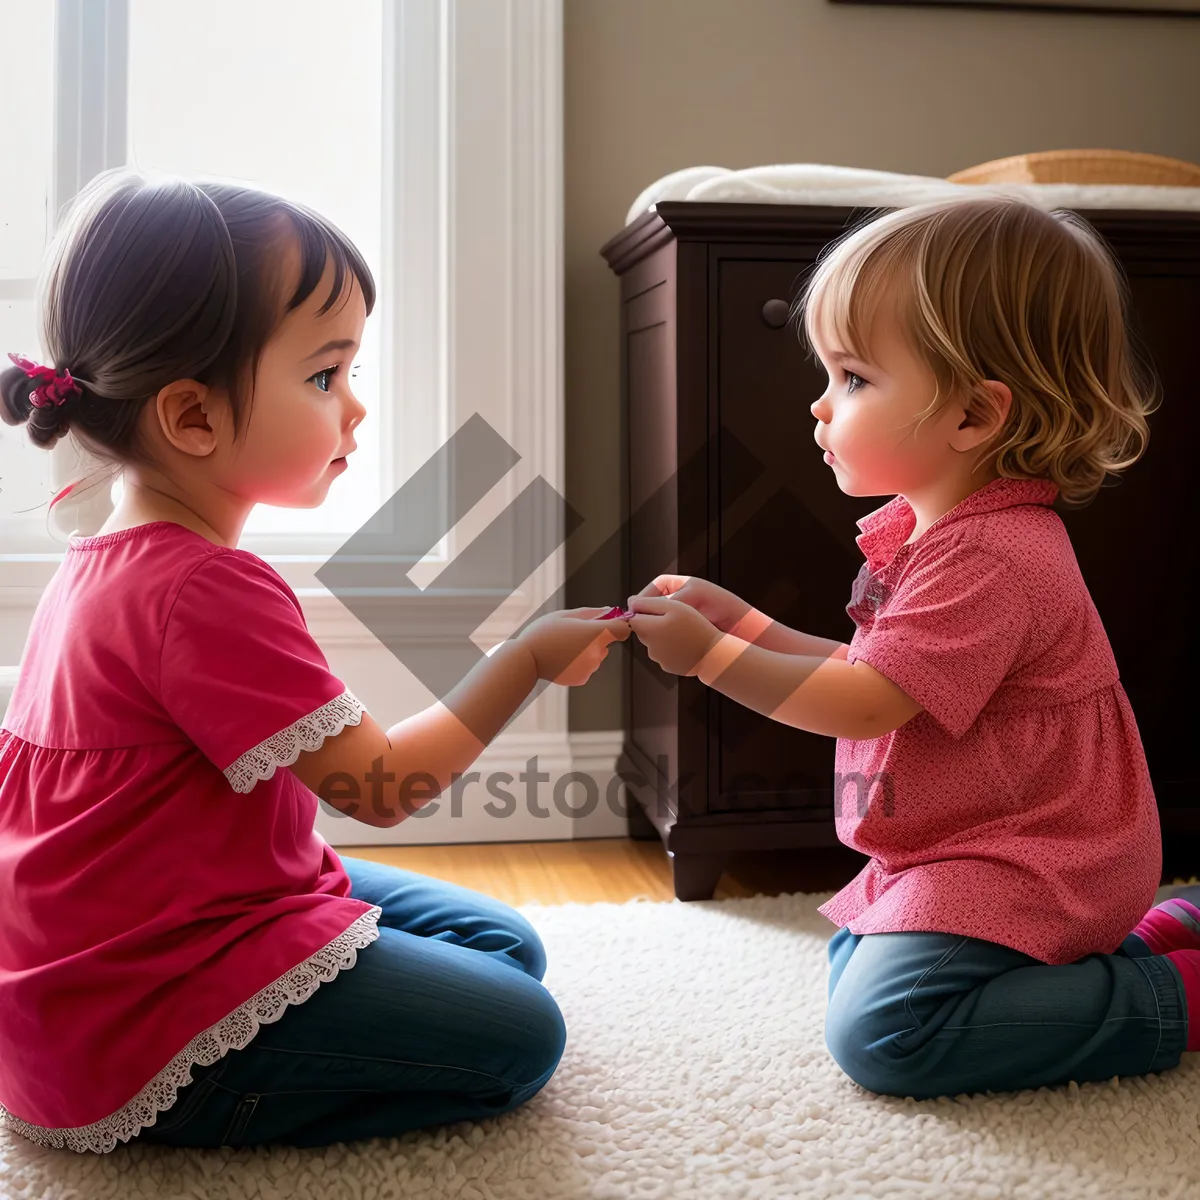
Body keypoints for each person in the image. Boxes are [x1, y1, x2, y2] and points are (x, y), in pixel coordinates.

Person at [0, 168, 629, 1153]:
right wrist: (528, 657)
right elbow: (383, 785)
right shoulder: (203, 591)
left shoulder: (107, 564)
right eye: (326, 376)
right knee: (520, 1034)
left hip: (129, 940)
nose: (356, 409)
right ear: (193, 417)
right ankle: (226, 1093)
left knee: (509, 944)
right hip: (135, 1009)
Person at [625, 194, 1199, 1098]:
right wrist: (742, 623)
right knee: (858, 964)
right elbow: (870, 667)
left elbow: (865, 702)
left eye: (853, 379)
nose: (819, 404)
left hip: (1035, 853)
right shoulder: (938, 532)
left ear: (973, 416)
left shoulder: (992, 555)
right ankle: (1148, 939)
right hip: (966, 842)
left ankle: (1170, 994)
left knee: (889, 1035)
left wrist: (710, 658)